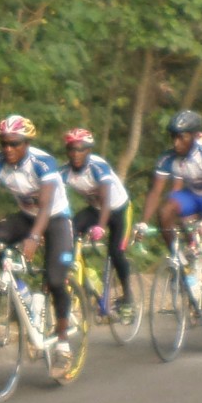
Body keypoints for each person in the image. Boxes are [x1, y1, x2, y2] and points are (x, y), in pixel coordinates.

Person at [0, 115, 76, 366]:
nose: (8, 149)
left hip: (56, 218)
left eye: (14, 144)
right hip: (27, 216)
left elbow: (47, 204)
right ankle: (23, 293)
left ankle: (62, 343)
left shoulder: (43, 162)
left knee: (55, 280)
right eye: (3, 143)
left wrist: (34, 237)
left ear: (26, 143)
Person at [143, 110, 202, 316]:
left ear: (194, 136)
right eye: (173, 137)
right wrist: (143, 222)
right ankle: (178, 259)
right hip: (193, 195)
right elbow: (156, 191)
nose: (176, 143)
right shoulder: (167, 157)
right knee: (166, 210)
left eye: (182, 137)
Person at [56, 126, 136, 318]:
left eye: (81, 149)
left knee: (116, 252)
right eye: (71, 149)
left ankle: (128, 296)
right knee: (69, 231)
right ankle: (83, 273)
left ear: (89, 150)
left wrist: (100, 226)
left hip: (118, 209)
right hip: (95, 209)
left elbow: (106, 199)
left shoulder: (98, 167)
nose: (76, 153)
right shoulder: (64, 172)